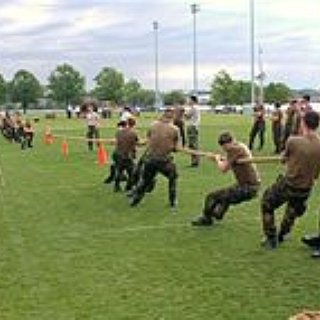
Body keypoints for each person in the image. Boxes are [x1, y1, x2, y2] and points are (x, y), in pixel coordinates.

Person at [261, 110, 320, 249]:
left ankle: (271, 238)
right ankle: (282, 234)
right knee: (292, 210)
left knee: (266, 203)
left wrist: (285, 156)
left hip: (289, 185)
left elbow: (283, 159)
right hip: (306, 187)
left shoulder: (293, 141)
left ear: (303, 123)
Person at [192, 132, 260, 226]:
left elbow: (223, 169)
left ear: (230, 142)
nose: (225, 150)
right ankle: (218, 214)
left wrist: (217, 159)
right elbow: (230, 161)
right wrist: (219, 159)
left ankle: (206, 218)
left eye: (225, 147)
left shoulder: (234, 149)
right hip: (250, 185)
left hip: (248, 188)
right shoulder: (240, 146)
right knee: (225, 195)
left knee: (211, 196)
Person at [128, 108, 179, 209]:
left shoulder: (152, 125)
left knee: (144, 181)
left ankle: (135, 200)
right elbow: (175, 148)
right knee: (173, 178)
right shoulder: (174, 129)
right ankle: (172, 201)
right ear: (172, 116)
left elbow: (149, 139)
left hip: (150, 159)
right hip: (164, 161)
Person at [113, 117, 139, 192]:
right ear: (134, 124)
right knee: (131, 173)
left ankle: (116, 187)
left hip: (118, 154)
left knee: (119, 171)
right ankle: (129, 187)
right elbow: (137, 143)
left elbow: (117, 141)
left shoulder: (119, 132)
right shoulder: (133, 133)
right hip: (128, 156)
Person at [185, 95, 201, 167]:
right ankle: (195, 161)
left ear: (193, 100)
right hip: (193, 127)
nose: (188, 101)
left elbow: (187, 116)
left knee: (193, 145)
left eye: (189, 100)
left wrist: (183, 112)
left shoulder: (193, 108)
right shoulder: (195, 108)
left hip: (192, 127)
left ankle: (195, 161)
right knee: (193, 144)